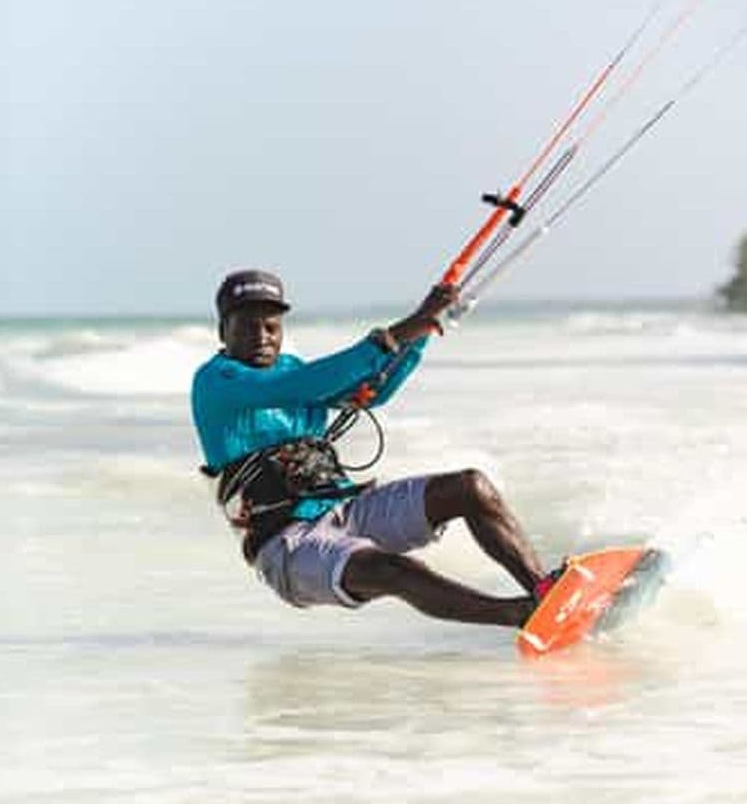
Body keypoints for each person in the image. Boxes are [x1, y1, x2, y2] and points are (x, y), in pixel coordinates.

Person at [191, 269, 562, 628]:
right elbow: (299, 386)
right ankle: (519, 615)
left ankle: (546, 592)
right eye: (247, 326)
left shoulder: (290, 367)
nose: (261, 337)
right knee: (393, 571)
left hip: (345, 512)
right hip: (287, 546)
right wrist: (397, 332)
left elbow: (372, 391)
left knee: (470, 488)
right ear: (224, 331)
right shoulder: (217, 381)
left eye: (270, 326)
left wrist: (421, 333)